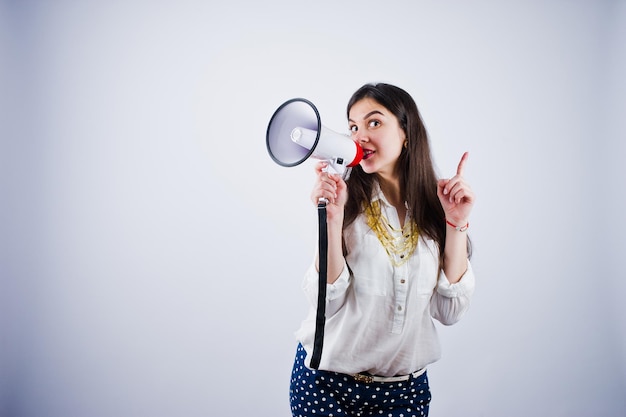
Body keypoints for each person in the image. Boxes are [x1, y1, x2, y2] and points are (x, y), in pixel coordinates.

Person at [289, 83, 476, 417]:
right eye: (353, 126)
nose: (360, 136)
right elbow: (325, 302)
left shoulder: (437, 211)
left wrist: (455, 223)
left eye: (374, 122)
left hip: (404, 394)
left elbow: (449, 313)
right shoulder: (345, 205)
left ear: (407, 132)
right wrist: (332, 221)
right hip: (326, 385)